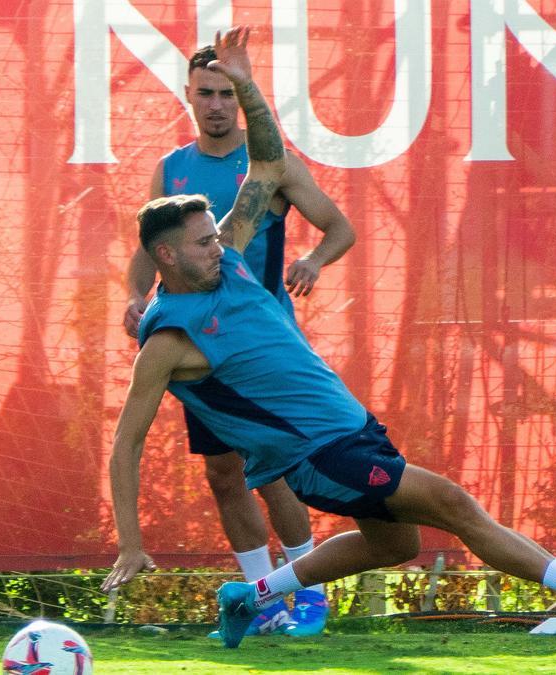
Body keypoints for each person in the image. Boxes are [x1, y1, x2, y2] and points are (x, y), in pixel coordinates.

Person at [99, 25, 556, 650]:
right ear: (166, 255)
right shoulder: (167, 343)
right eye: (204, 240)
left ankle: (251, 595)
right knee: (454, 504)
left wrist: (248, 87)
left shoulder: (233, 262)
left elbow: (269, 164)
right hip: (318, 456)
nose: (220, 242)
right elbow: (124, 447)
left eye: (218, 234)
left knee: (394, 544)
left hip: (350, 429)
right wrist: (131, 544)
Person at [121, 39, 357, 638]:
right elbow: (148, 252)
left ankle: (306, 593)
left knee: (273, 467)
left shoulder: (264, 163)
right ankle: (263, 601)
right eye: (208, 93)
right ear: (189, 97)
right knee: (224, 473)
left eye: (229, 93)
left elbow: (339, 227)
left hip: (262, 342)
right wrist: (135, 295)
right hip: (201, 347)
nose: (219, 104)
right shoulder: (172, 169)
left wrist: (314, 260)